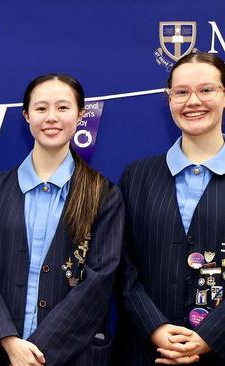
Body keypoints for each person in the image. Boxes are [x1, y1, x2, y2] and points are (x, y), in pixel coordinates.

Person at [0, 74, 124, 366]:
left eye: (63, 108)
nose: (51, 117)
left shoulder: (104, 194)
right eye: (41, 108)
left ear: (80, 115)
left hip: (72, 355)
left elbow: (98, 283)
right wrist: (10, 343)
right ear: (26, 116)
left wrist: (37, 351)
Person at [114, 52, 225, 365]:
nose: (193, 101)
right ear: (168, 99)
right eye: (181, 92)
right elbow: (121, 265)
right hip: (145, 351)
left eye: (206, 90)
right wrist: (156, 327)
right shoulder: (136, 176)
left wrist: (211, 335)